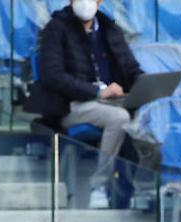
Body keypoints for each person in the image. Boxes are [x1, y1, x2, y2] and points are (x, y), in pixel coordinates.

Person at [24, 0, 143, 209]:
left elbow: (130, 67)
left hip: (112, 100)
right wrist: (97, 92)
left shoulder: (110, 28)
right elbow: (53, 76)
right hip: (71, 104)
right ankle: (99, 186)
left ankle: (139, 190)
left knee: (148, 113)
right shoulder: (56, 28)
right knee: (119, 118)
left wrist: (145, 86)